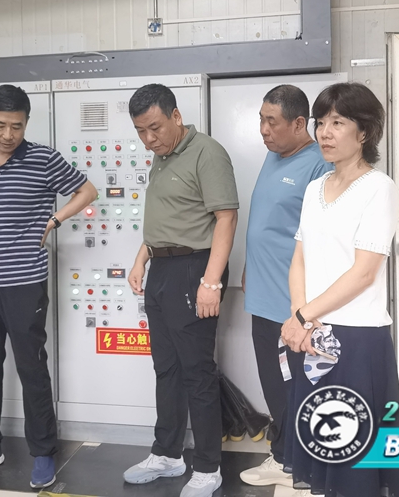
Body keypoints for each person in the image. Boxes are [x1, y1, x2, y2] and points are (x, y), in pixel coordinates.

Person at [0, 85, 97, 489]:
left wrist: (55, 220)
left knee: (31, 367)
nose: (8, 134)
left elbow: (88, 190)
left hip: (24, 282)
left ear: (26, 123)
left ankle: (43, 451)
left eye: (16, 126)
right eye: (0, 125)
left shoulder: (43, 159)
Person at [280, 82, 399, 496]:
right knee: (324, 445)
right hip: (314, 336)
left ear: (364, 131)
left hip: (357, 341)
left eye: (338, 122)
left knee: (356, 455)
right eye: (321, 122)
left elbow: (364, 273)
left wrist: (303, 315)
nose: (325, 132)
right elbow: (299, 257)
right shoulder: (315, 188)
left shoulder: (378, 187)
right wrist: (300, 317)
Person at [121, 84, 238, 497]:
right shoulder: (162, 156)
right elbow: (166, 218)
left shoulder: (208, 152)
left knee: (196, 372)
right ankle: (167, 454)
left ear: (176, 115)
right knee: (166, 368)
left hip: (194, 269)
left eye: (155, 127)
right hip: (162, 269)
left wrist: (211, 281)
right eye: (140, 131)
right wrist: (141, 258)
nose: (149, 139)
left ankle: (207, 467)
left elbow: (226, 218)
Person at [238, 85, 333, 488]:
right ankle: (284, 456)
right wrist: (249, 264)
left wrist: (306, 309)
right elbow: (267, 220)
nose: (263, 129)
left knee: (295, 388)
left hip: (292, 303)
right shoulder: (272, 155)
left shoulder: (319, 166)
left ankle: (298, 463)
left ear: (299, 124)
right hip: (261, 295)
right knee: (274, 386)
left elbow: (321, 241)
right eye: (261, 120)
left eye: (271, 121)